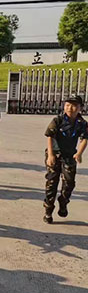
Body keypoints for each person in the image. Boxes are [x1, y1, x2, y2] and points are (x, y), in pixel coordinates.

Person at [42, 95, 87, 224]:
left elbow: (85, 139)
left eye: (74, 106)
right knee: (52, 183)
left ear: (80, 108)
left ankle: (63, 201)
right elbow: (49, 136)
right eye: (67, 105)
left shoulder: (82, 123)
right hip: (55, 154)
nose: (70, 108)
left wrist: (79, 153)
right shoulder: (58, 120)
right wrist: (50, 155)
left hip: (69, 155)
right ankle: (48, 210)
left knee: (69, 183)